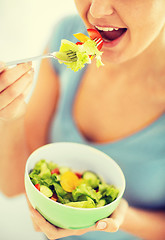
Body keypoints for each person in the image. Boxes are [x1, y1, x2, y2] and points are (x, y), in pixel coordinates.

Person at [0, 0, 165, 239]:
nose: (96, 11)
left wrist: (119, 217)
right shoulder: (67, 36)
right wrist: (10, 115)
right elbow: (14, 185)